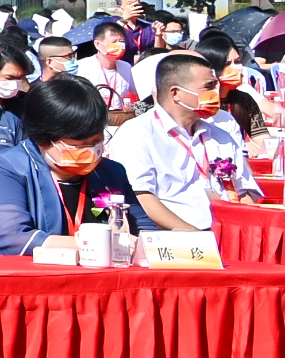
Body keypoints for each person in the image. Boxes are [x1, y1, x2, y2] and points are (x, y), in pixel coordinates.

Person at [0, 76, 145, 256]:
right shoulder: (4, 170)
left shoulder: (111, 172)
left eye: (96, 141)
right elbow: (15, 239)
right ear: (43, 140)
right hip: (26, 271)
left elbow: (143, 229)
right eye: (79, 145)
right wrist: (102, 243)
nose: (90, 151)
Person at [108, 51, 256, 234]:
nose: (216, 93)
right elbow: (142, 197)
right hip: (175, 237)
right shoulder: (137, 133)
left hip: (229, 232)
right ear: (176, 93)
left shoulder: (221, 135)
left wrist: (247, 231)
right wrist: (197, 236)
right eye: (208, 87)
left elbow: (243, 192)